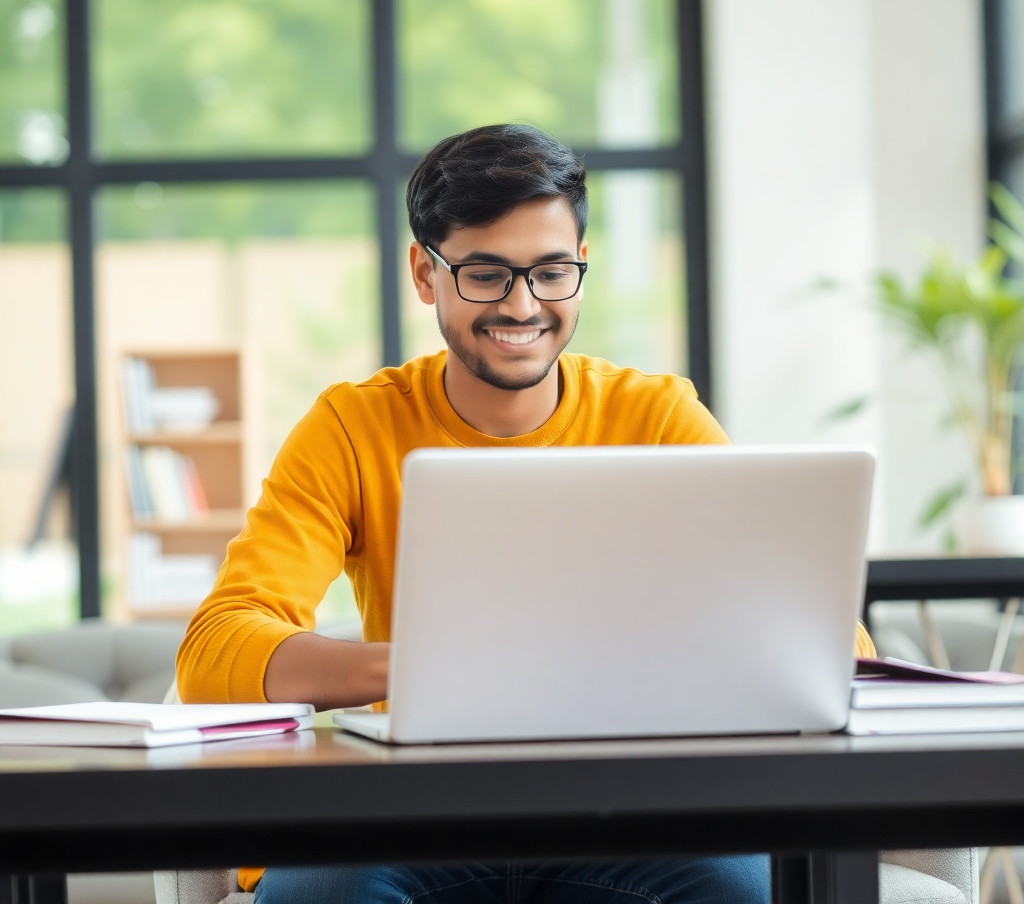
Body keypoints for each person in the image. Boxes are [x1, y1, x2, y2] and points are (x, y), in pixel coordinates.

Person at [177, 123, 874, 904]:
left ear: (581, 266)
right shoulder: (352, 426)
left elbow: (830, 642)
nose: (522, 305)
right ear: (425, 272)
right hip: (410, 813)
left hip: (635, 812)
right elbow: (215, 650)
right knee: (317, 896)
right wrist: (424, 670)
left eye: (551, 273)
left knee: (746, 891)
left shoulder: (657, 416)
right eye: (485, 274)